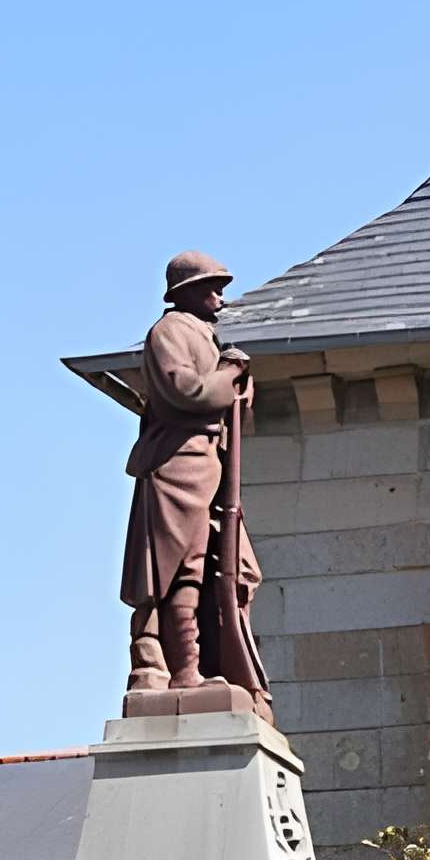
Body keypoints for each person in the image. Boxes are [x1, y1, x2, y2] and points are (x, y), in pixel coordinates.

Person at [121, 251, 265, 699]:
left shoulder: (205, 335)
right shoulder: (170, 332)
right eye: (210, 288)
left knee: (216, 569)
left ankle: (205, 664)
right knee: (181, 569)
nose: (220, 298)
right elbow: (190, 392)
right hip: (177, 464)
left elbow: (226, 404)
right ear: (186, 293)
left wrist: (238, 384)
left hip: (207, 463)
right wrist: (228, 373)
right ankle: (181, 670)